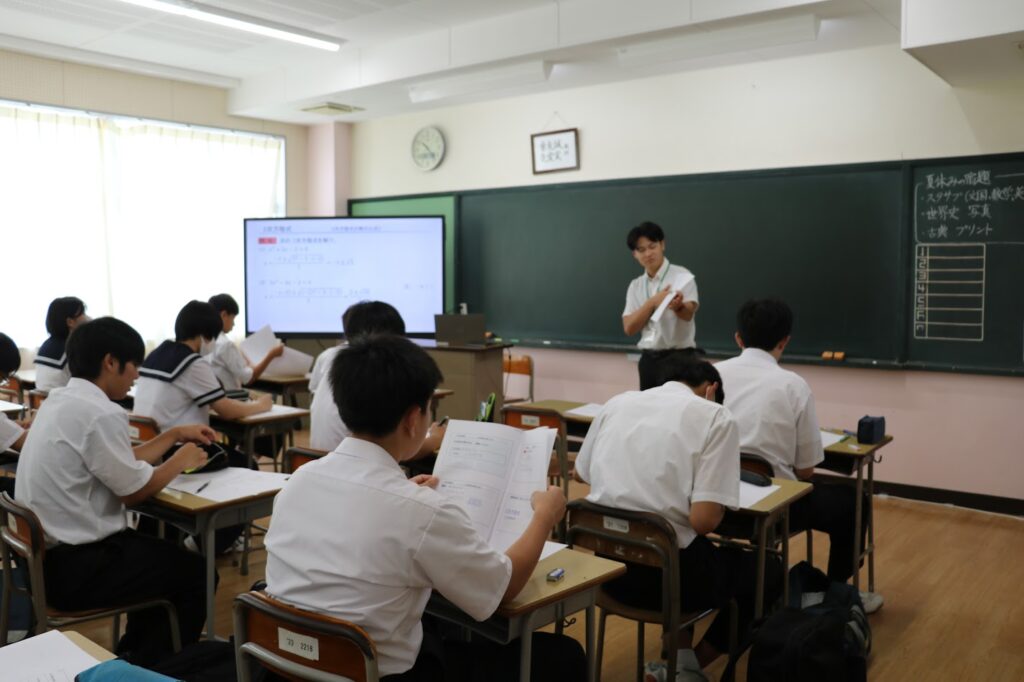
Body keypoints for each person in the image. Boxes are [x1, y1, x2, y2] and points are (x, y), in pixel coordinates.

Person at [265, 334, 585, 682]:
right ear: (413, 419)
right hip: (377, 674)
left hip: (284, 667)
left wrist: (406, 497)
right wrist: (544, 516)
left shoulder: (298, 481)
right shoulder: (421, 511)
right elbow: (503, 587)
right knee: (563, 655)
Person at [14, 317, 212, 666]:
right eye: (133, 364)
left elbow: (117, 462)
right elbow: (133, 492)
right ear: (110, 362)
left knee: (161, 559)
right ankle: (158, 665)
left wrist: (173, 435)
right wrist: (179, 460)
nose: (137, 375)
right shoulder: (100, 412)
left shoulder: (60, 401)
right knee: (197, 573)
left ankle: (135, 654)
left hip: (46, 566)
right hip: (79, 570)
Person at [576, 356, 781, 682]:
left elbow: (581, 472)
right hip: (671, 583)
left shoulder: (617, 403)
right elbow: (704, 522)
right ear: (712, 389)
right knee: (766, 569)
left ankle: (681, 661)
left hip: (609, 575)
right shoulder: (715, 417)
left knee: (685, 546)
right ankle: (690, 668)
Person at [714, 298, 882, 613]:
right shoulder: (793, 385)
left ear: (738, 338)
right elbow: (805, 472)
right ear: (785, 341)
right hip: (773, 508)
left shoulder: (711, 375)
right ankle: (837, 591)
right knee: (852, 501)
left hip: (714, 504)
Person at [309, 301, 445, 458]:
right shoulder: (378, 373)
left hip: (317, 459)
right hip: (356, 463)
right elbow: (397, 446)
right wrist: (435, 439)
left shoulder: (335, 359)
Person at [133, 300, 273, 431]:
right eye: (213, 337)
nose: (213, 342)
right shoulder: (193, 362)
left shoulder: (156, 354)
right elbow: (227, 410)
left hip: (146, 439)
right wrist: (260, 405)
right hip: (177, 444)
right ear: (204, 335)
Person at [621, 222, 700, 390]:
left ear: (662, 244)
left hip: (681, 358)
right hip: (649, 361)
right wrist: (652, 302)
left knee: (679, 406)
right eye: (641, 250)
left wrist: (678, 307)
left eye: (652, 246)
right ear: (634, 254)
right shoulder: (636, 285)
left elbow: (688, 314)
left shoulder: (682, 275)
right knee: (649, 406)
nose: (648, 253)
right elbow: (629, 328)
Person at [206, 293, 284, 392]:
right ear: (224, 315)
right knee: (268, 398)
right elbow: (249, 379)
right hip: (232, 397)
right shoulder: (225, 345)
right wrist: (271, 355)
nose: (233, 324)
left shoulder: (206, 341)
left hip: (217, 397)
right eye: (233, 318)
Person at [34, 296, 89, 391]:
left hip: (44, 398)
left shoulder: (45, 345)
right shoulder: (72, 348)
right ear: (70, 322)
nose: (87, 318)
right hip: (66, 398)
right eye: (83, 313)